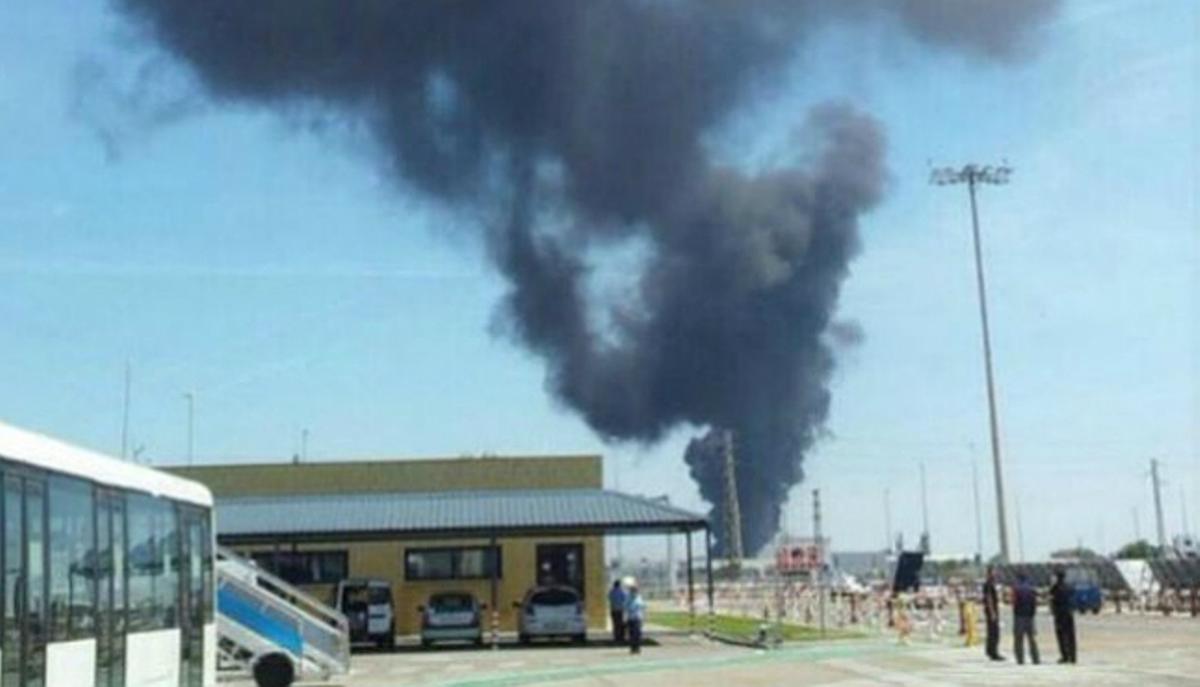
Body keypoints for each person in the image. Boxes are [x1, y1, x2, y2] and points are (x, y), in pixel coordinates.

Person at [1011, 573, 1040, 665]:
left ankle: (1020, 659)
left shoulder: (1016, 589)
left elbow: (1014, 602)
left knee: (1018, 639)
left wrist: (1015, 612)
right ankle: (1035, 658)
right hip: (1029, 616)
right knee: (1032, 639)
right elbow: (1034, 603)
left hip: (1019, 615)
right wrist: (1032, 614)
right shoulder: (1031, 589)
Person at [1050, 568, 1077, 664]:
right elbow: (1073, 594)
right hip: (1069, 613)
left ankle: (1065, 656)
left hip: (1060, 614)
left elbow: (1052, 599)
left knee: (1061, 635)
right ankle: (1073, 656)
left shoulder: (1055, 587)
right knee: (1071, 635)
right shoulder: (1068, 586)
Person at [982, 567, 1005, 661]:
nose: (995, 574)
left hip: (992, 610)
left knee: (991, 631)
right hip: (991, 611)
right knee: (994, 632)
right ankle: (993, 652)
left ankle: (990, 650)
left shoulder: (991, 584)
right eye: (993, 572)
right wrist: (992, 612)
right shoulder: (988, 584)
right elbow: (989, 599)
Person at [625, 585, 646, 654]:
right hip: (631, 618)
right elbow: (625, 606)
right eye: (633, 591)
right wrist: (631, 608)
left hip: (637, 618)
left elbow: (643, 606)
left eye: (635, 591)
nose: (634, 592)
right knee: (631, 634)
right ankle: (632, 648)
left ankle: (637, 648)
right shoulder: (628, 598)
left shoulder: (639, 598)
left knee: (637, 634)